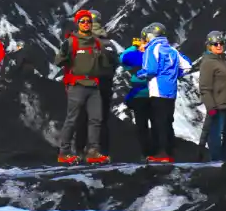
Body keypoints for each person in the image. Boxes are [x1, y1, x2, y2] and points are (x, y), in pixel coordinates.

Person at [55, 10, 112, 164]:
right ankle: (64, 152)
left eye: (88, 21)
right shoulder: (71, 42)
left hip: (94, 85)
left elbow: (105, 64)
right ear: (77, 24)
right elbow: (59, 60)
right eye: (82, 21)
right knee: (72, 119)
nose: (86, 24)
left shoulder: (97, 42)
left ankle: (93, 151)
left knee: (96, 119)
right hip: (77, 85)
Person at [137, 22, 192, 163]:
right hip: (171, 91)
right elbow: (187, 66)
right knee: (168, 122)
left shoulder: (151, 49)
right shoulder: (172, 50)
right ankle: (169, 152)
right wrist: (173, 75)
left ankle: (161, 153)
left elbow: (151, 70)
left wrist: (141, 73)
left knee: (158, 122)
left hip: (157, 90)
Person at [74, 12, 122, 158]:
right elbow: (116, 63)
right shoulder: (109, 44)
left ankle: (80, 151)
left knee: (82, 118)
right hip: (105, 85)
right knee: (102, 119)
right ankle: (102, 152)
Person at [198, 31, 226, 163]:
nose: (218, 46)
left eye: (221, 43)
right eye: (215, 44)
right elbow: (205, 87)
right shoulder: (208, 63)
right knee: (215, 136)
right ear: (209, 46)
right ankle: (216, 162)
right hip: (217, 106)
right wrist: (210, 106)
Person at [120, 36, 153, 160]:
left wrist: (133, 47)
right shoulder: (154, 56)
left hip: (140, 96)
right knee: (156, 124)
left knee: (142, 126)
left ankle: (147, 153)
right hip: (155, 95)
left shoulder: (137, 57)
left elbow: (123, 58)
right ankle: (157, 152)